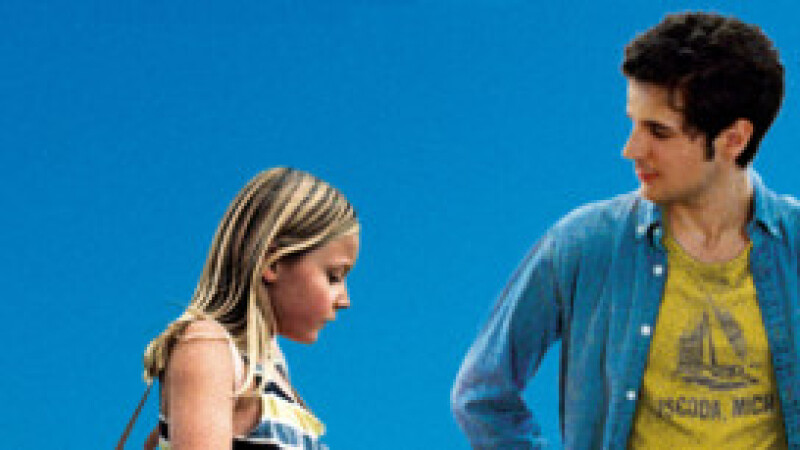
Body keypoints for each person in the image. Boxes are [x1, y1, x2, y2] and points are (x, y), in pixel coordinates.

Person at [451, 12, 799, 449]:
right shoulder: (582, 245)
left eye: (659, 132)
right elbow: (481, 394)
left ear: (734, 139)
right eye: (634, 123)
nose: (631, 149)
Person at [137, 167, 359, 449]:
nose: (345, 300)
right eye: (334, 276)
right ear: (271, 262)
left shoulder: (270, 368)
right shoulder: (208, 348)